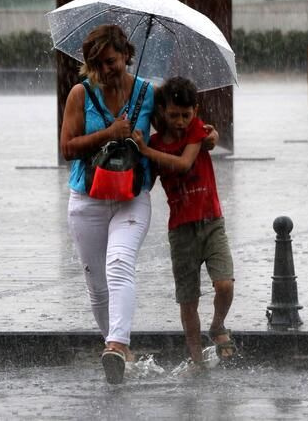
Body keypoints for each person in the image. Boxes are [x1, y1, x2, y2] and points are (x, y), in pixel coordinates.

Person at [60, 25, 218, 384]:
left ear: (126, 56)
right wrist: (108, 134)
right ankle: (117, 351)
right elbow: (67, 148)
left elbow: (180, 128)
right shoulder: (79, 94)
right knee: (97, 286)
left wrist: (208, 136)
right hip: (87, 199)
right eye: (96, 63)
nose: (105, 69)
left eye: (111, 61)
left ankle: (117, 344)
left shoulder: (148, 94)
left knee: (119, 264)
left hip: (132, 198)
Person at [132, 76, 236, 373]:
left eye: (186, 115)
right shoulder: (152, 142)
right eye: (174, 115)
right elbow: (146, 182)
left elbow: (184, 164)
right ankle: (197, 361)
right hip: (180, 231)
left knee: (224, 283)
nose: (180, 121)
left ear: (195, 111)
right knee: (188, 300)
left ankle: (217, 325)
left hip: (211, 222)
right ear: (162, 111)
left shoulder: (196, 131)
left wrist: (145, 151)